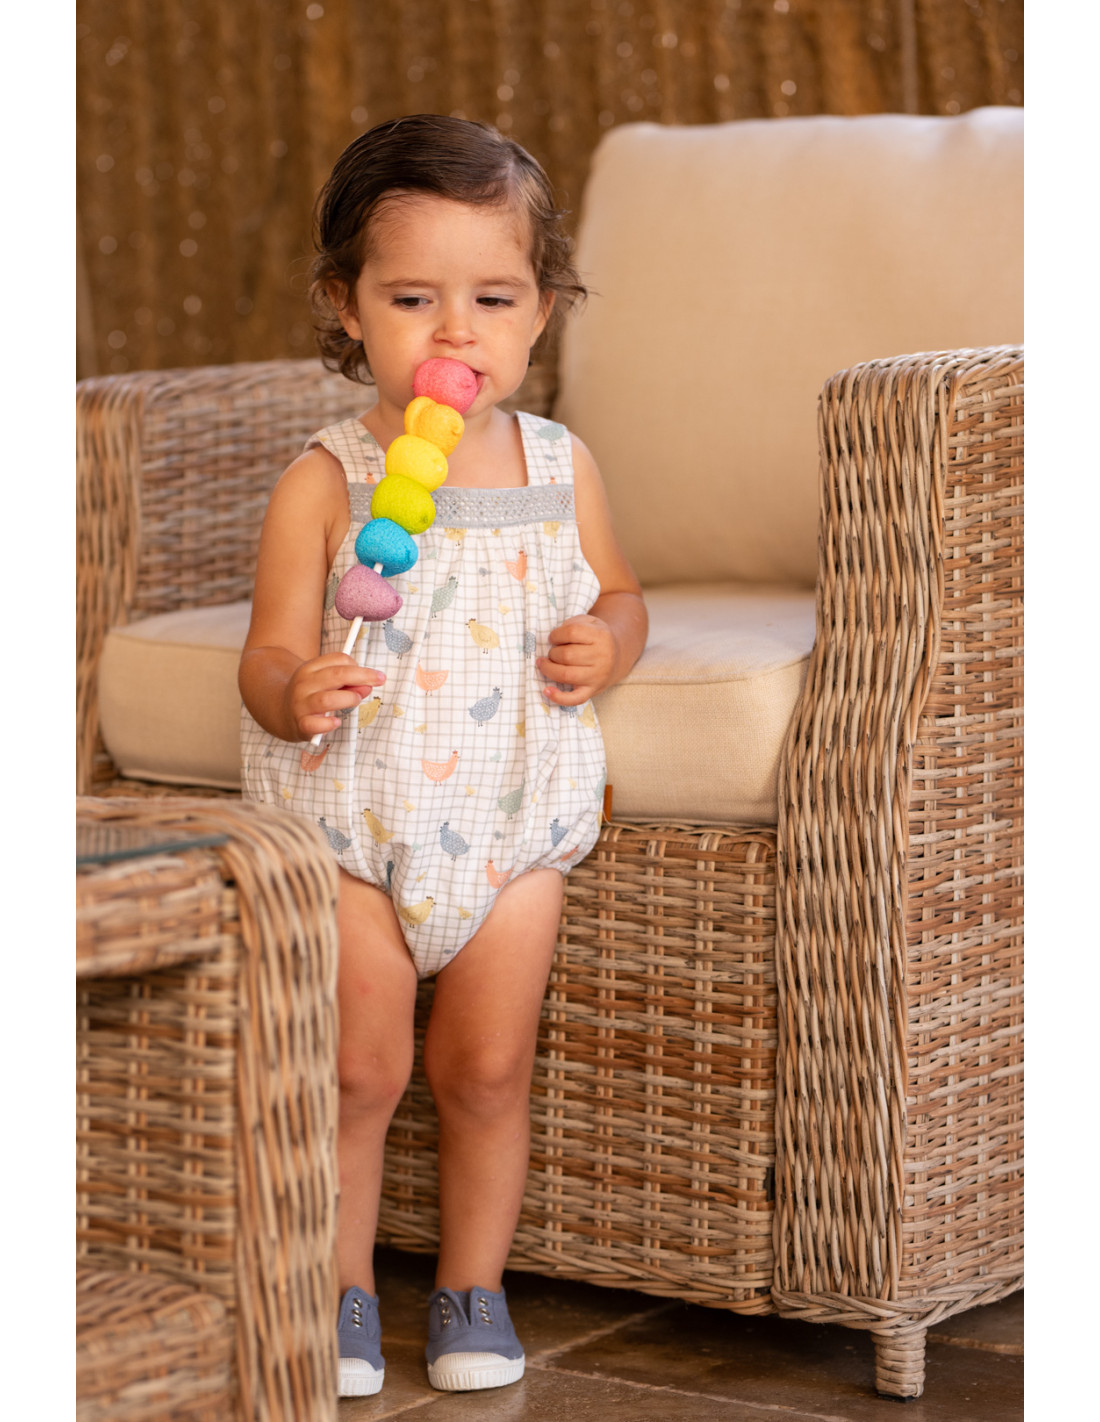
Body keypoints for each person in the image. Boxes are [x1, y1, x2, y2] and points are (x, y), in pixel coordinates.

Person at [238, 114, 647, 1398]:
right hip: (353, 820)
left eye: (493, 298)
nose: (454, 333)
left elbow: (620, 595)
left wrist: (606, 643)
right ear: (346, 308)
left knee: (484, 1070)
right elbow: (264, 655)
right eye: (413, 299)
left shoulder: (560, 465)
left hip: (511, 819)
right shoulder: (328, 481)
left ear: (542, 312)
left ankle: (474, 1289)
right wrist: (293, 690)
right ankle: (340, 1292)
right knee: (356, 1071)